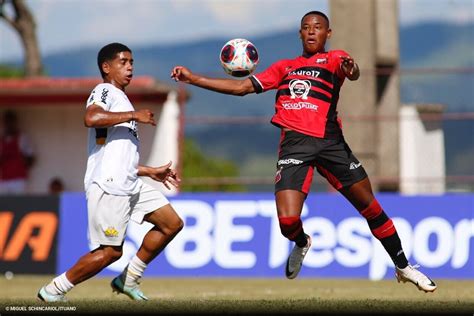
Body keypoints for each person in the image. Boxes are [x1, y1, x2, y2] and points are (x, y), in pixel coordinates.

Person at [171, 11, 436, 292]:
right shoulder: (284, 67)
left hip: (331, 144)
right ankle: (301, 241)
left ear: (327, 33)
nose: (311, 31)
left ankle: (403, 267)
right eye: (306, 28)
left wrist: (352, 67)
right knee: (287, 221)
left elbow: (353, 72)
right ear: (299, 34)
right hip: (295, 145)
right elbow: (241, 87)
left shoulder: (334, 59)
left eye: (317, 27)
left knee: (370, 207)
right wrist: (193, 78)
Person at [37, 43, 184, 302]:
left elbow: (118, 156)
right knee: (110, 253)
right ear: (106, 67)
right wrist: (134, 115)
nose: (130, 67)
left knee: (171, 224)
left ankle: (128, 278)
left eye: (132, 62)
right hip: (109, 186)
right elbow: (91, 118)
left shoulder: (121, 98)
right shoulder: (104, 90)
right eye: (123, 62)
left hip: (129, 182)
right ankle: (54, 290)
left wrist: (150, 171)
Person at [0, 110, 36, 194]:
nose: (9, 125)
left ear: (15, 122)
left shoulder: (23, 138)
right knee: (4, 205)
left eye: (11, 122)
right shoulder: (1, 140)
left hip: (19, 179)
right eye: (6, 122)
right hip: (4, 179)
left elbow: (31, 159)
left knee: (20, 205)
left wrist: (22, 158)